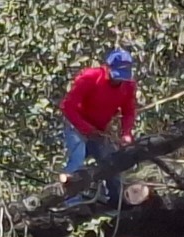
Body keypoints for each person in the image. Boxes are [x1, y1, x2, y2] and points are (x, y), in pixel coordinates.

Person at [59, 48, 138, 207]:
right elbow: (67, 107)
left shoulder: (128, 86)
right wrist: (86, 129)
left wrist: (126, 134)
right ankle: (72, 203)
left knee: (111, 161)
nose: (118, 81)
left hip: (99, 130)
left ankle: (117, 201)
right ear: (107, 68)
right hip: (76, 126)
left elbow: (129, 112)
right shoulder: (89, 78)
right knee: (77, 159)